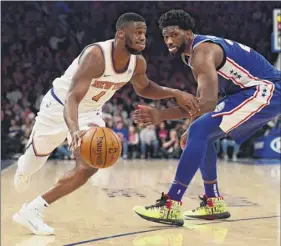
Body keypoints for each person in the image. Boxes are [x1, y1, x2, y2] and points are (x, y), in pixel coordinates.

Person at [12, 12, 199, 235]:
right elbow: (72, 97)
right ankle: (25, 167)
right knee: (32, 164)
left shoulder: (137, 62)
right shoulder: (97, 55)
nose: (143, 38)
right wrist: (73, 131)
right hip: (59, 106)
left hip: (89, 112)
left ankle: (33, 210)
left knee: (91, 163)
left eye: (145, 33)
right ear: (121, 33)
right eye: (138, 33)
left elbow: (144, 87)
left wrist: (175, 92)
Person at [133, 9, 281, 226]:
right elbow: (202, 101)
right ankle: (213, 202)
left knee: (200, 130)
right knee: (202, 133)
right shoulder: (193, 54)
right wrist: (190, 128)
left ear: (189, 34)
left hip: (266, 90)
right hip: (247, 92)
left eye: (174, 34)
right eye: (165, 36)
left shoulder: (201, 53)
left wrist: (161, 115)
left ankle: (170, 205)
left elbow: (207, 105)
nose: (169, 40)